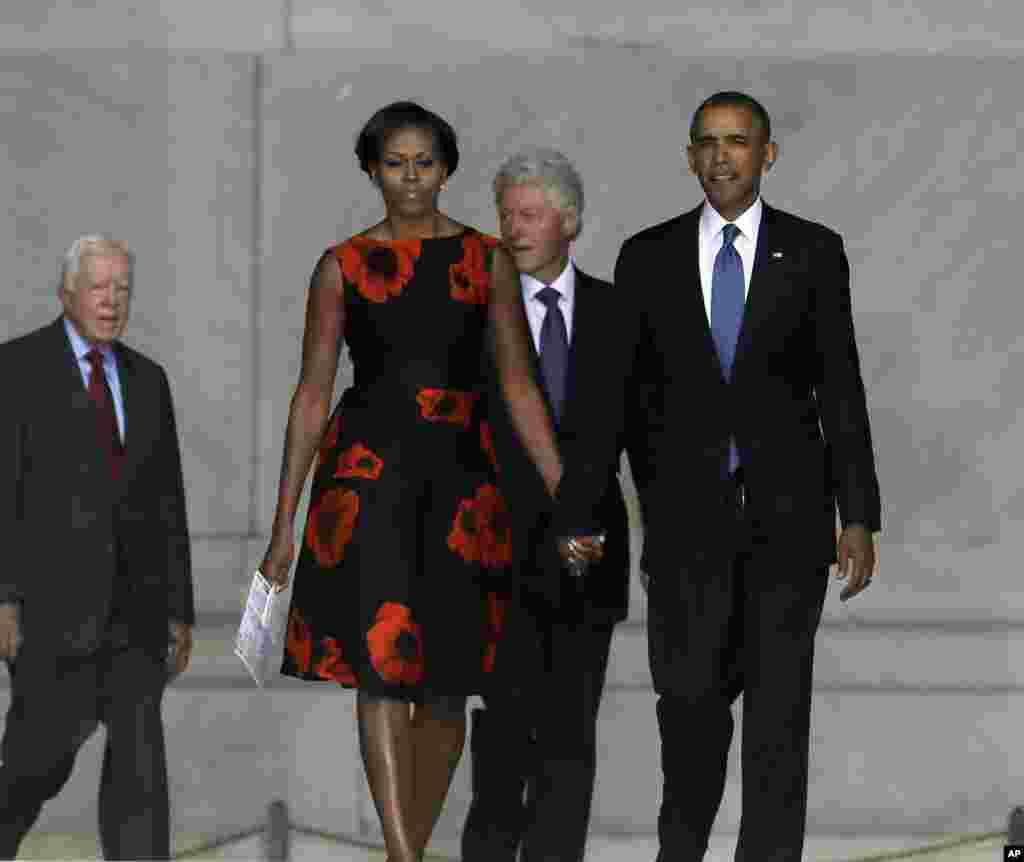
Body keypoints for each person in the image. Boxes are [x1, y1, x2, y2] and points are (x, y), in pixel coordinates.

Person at [257, 102, 566, 862]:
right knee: (383, 668)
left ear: (447, 169)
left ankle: (410, 850)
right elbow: (311, 395)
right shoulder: (342, 265)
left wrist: (569, 492)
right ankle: (403, 856)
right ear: (371, 170)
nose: (411, 177)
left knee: (450, 682)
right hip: (368, 483)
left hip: (467, 486)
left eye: (424, 162)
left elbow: (520, 386)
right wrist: (283, 524)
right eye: (395, 163)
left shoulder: (485, 259)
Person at [615, 91, 882, 860]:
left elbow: (842, 389)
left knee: (777, 719)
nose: (721, 156)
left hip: (791, 526)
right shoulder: (647, 255)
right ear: (689, 154)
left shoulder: (813, 251)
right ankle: (681, 850)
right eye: (707, 142)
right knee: (690, 704)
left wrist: (857, 513)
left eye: (738, 141)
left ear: (768, 155)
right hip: (684, 532)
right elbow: (622, 398)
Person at [461, 149, 635, 862]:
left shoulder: (621, 315)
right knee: (503, 746)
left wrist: (591, 529)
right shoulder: (473, 320)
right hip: (497, 566)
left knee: (570, 747)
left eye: (528, 214)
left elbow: (638, 439)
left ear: (570, 221)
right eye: (505, 214)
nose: (512, 228)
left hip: (588, 561)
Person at [0, 235, 194, 860]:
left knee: (140, 758)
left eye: (123, 289)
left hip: (134, 617)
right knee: (35, 762)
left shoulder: (148, 381)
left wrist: (179, 610)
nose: (112, 301)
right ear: (67, 293)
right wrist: (2, 598)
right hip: (49, 613)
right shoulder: (15, 370)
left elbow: (168, 501)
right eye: (99, 287)